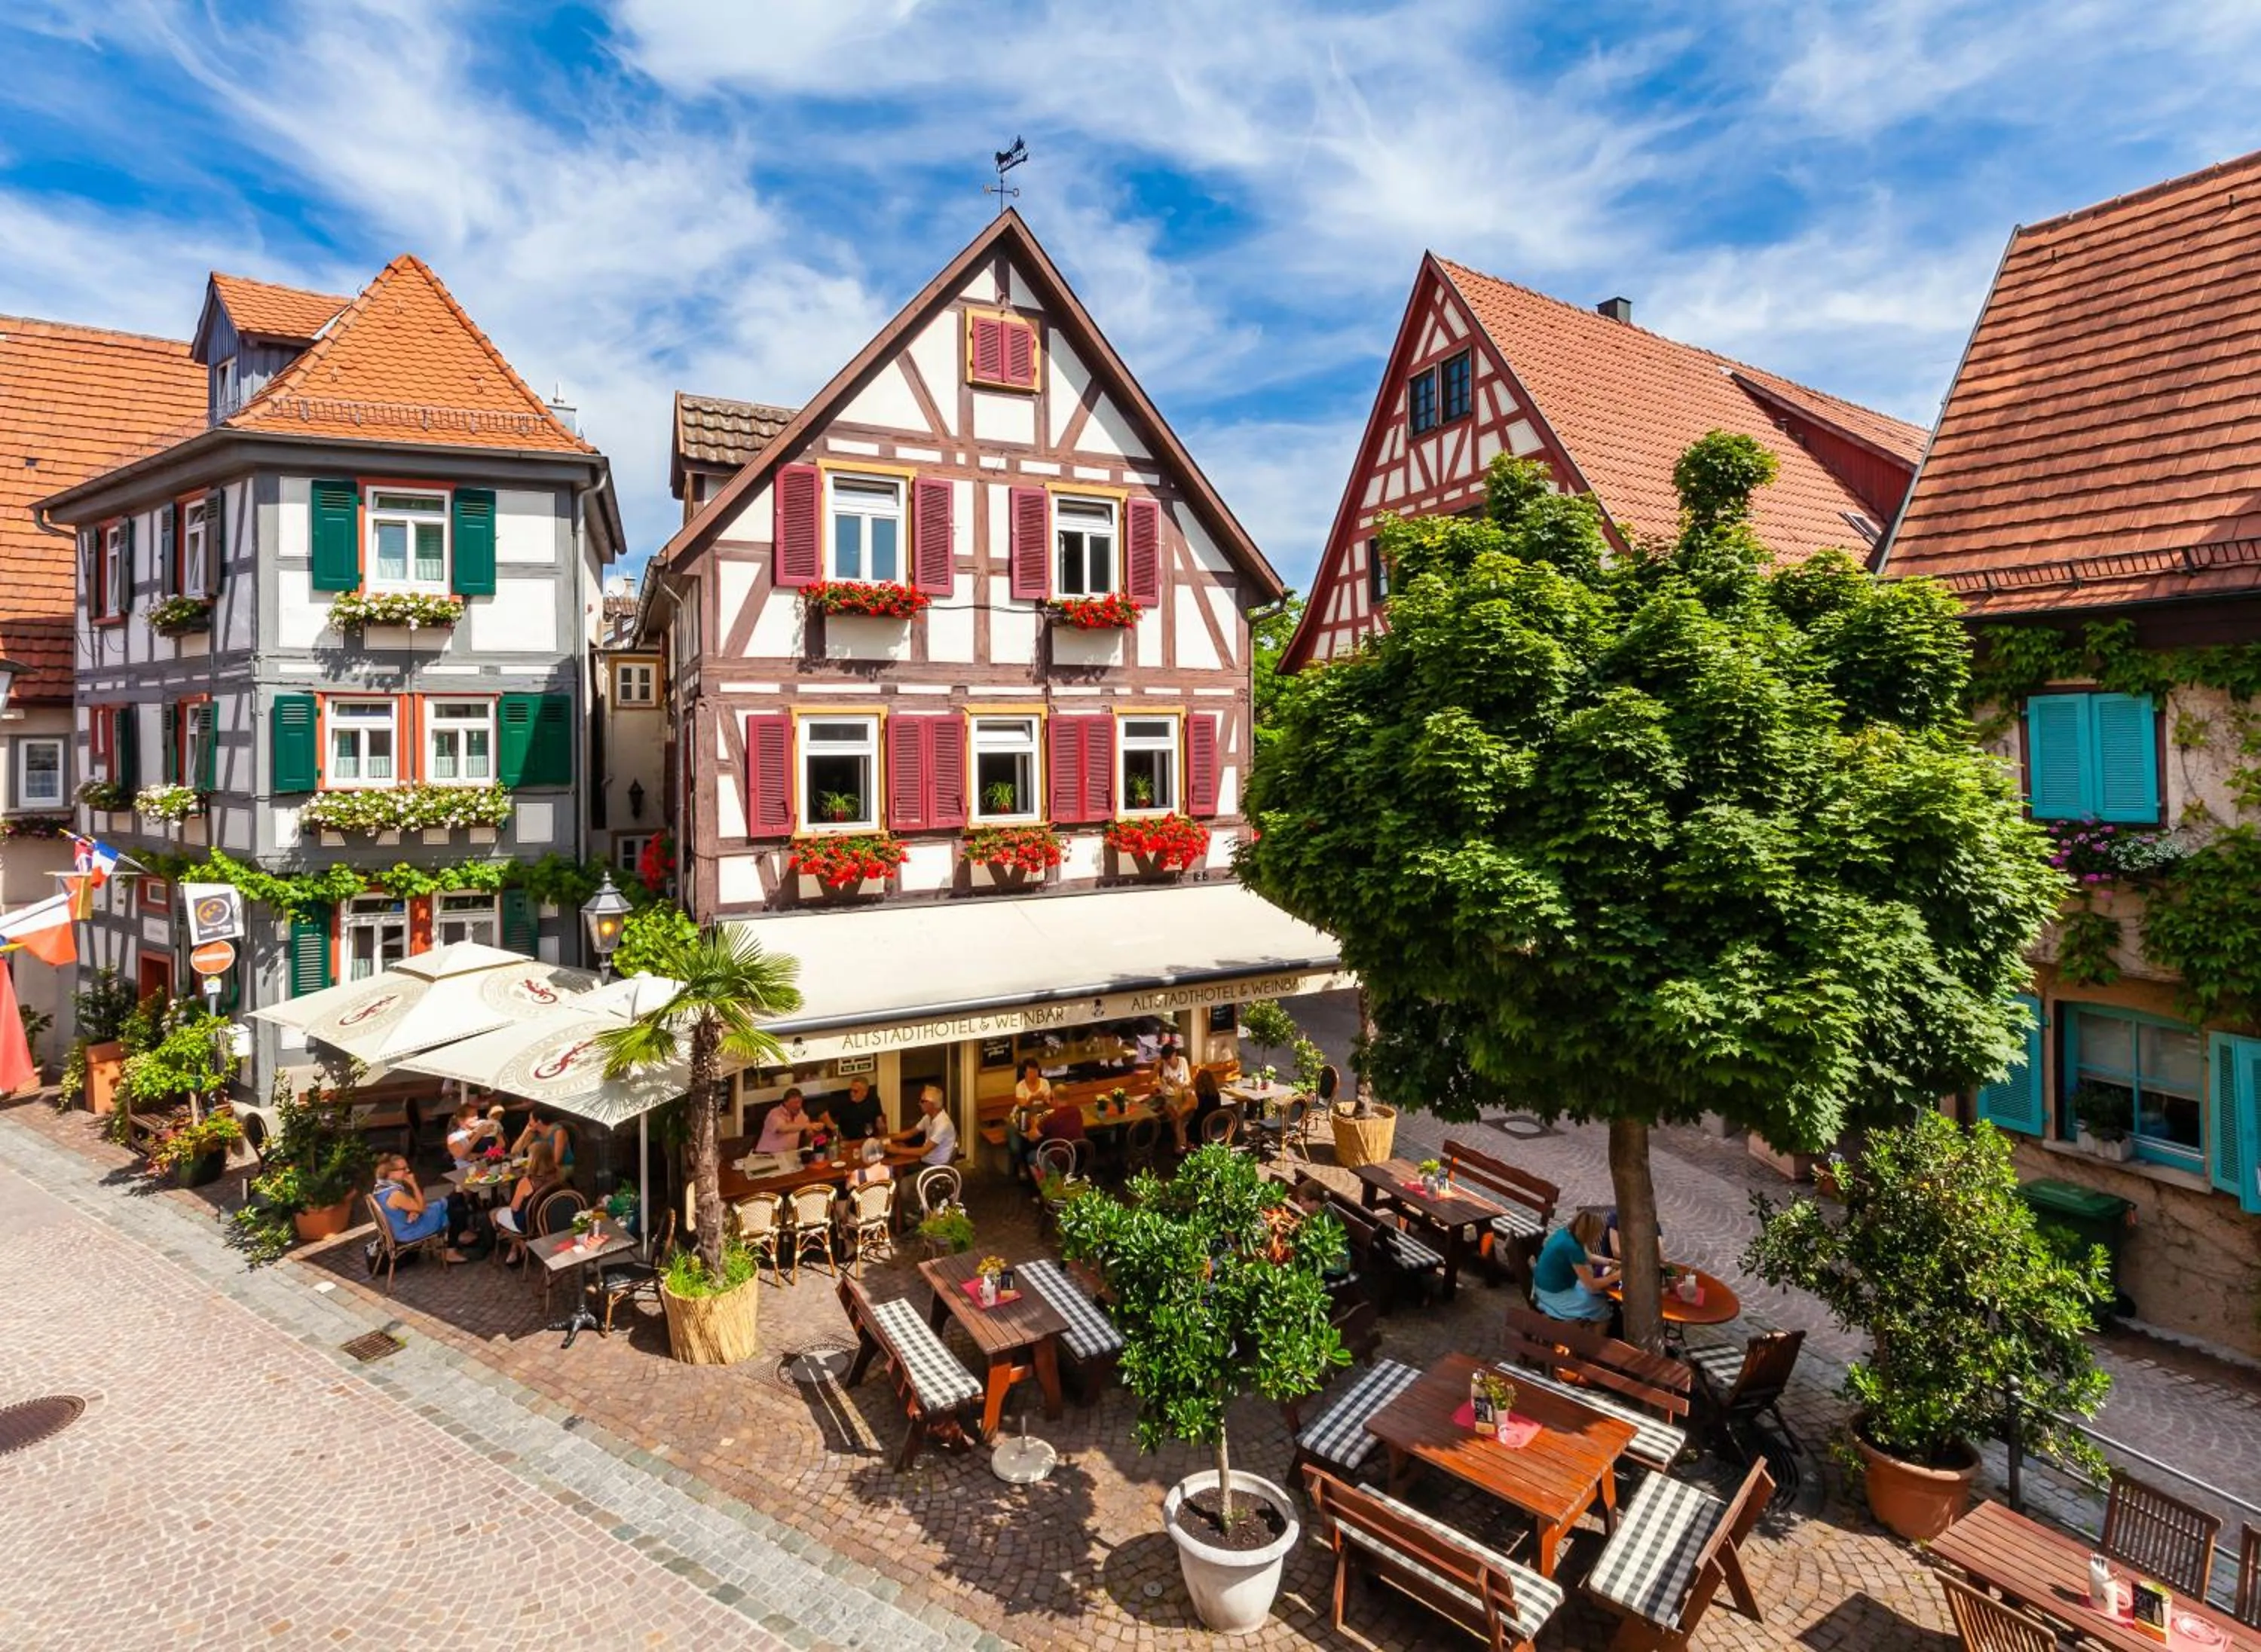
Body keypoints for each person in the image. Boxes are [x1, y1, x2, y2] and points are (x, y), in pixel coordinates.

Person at [372, 1155, 473, 1261]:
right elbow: (421, 1207)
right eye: (403, 1169)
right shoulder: (395, 1194)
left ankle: (461, 1233)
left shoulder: (381, 1188)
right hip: (409, 1231)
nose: (408, 1170)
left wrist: (412, 1211)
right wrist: (414, 1184)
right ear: (390, 1173)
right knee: (454, 1210)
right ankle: (451, 1250)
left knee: (454, 1199)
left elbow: (401, 1208)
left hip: (402, 1226)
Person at [1533, 1208, 1620, 1325]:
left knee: (1600, 1295)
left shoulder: (1566, 1233)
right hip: (1551, 1294)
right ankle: (1594, 1341)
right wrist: (1615, 1277)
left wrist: (1611, 1262)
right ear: (1588, 1232)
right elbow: (1591, 1285)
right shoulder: (1572, 1248)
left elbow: (1589, 1257)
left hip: (1544, 1286)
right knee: (1603, 1308)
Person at [491, 1140, 560, 1264]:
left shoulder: (528, 1181)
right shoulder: (557, 1177)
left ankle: (519, 1243)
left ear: (534, 1159)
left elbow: (514, 1208)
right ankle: (517, 1245)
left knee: (493, 1213)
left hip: (528, 1223)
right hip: (547, 1220)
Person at [889, 1084, 957, 1166]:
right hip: (926, 1159)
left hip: (934, 1166)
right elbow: (911, 1133)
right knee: (896, 1166)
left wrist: (897, 1150)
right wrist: (889, 1139)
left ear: (932, 1103)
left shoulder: (943, 1124)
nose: (919, 1104)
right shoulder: (928, 1117)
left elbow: (923, 1151)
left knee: (899, 1172)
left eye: (922, 1101)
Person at [445, 1100, 505, 1173]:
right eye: (473, 1116)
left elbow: (501, 1143)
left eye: (477, 1114)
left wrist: (485, 1155)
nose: (477, 1118)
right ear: (461, 1120)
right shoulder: (454, 1138)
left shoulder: (485, 1125)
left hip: (490, 1166)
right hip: (467, 1171)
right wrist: (478, 1135)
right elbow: (463, 1156)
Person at [756, 1088, 820, 1155]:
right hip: (766, 1155)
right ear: (786, 1103)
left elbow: (808, 1131)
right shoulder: (775, 1113)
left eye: (800, 1102)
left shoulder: (801, 1114)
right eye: (795, 1103)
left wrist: (812, 1131)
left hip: (789, 1155)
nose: (798, 1106)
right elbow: (783, 1128)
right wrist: (807, 1126)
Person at [512, 1106, 574, 1173]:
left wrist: (534, 1165)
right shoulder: (534, 1132)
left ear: (539, 1122)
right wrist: (525, 1132)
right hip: (539, 1166)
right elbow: (514, 1152)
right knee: (514, 1171)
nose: (529, 1123)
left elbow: (557, 1160)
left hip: (562, 1167)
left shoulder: (558, 1132)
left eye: (530, 1120)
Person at [827, 1076, 885, 1143]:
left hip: (869, 1140)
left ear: (865, 1092)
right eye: (851, 1090)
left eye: (855, 1091)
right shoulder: (843, 1102)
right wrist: (835, 1129)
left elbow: (880, 1122)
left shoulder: (873, 1101)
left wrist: (882, 1134)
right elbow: (824, 1116)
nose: (852, 1094)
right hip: (849, 1141)